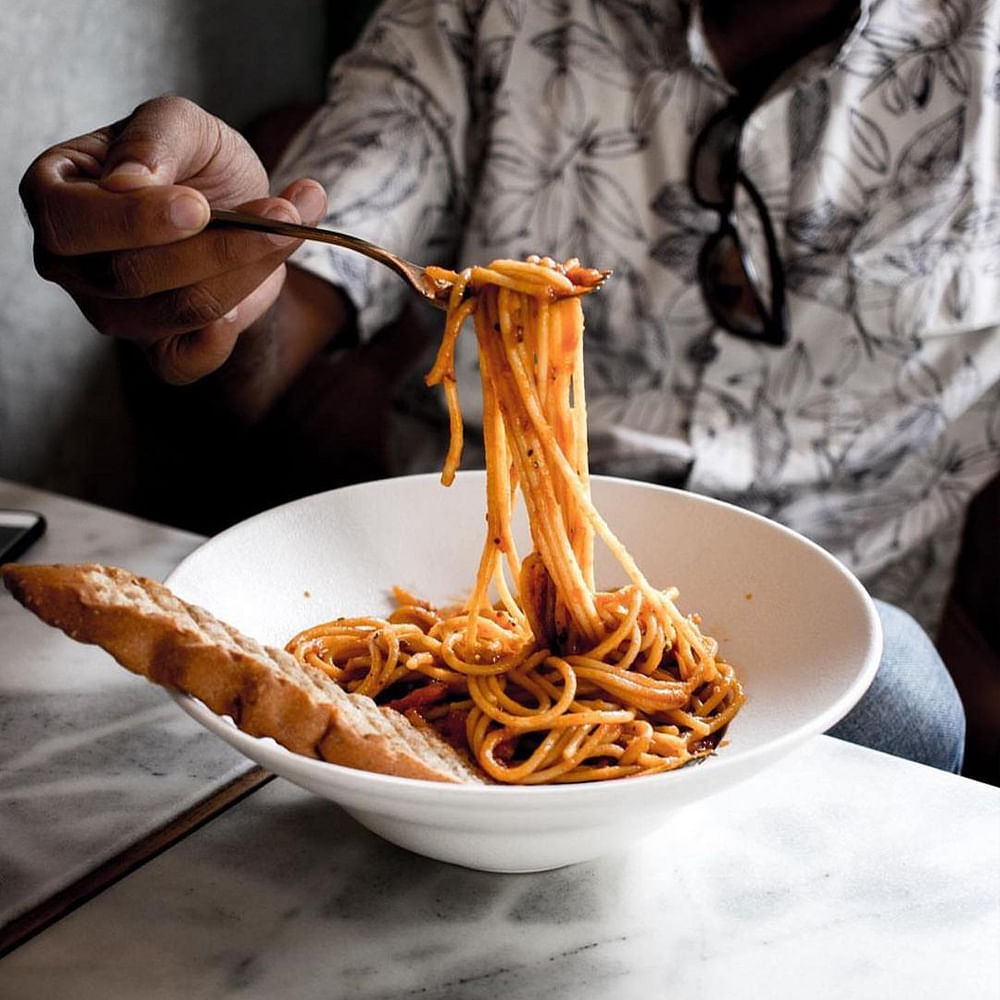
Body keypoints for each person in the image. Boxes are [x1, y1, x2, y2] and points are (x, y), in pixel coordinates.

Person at [21, 0, 994, 773]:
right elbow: (279, 318)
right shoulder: (480, 12)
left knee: (900, 684)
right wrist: (221, 274)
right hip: (476, 617)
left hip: (829, 656)